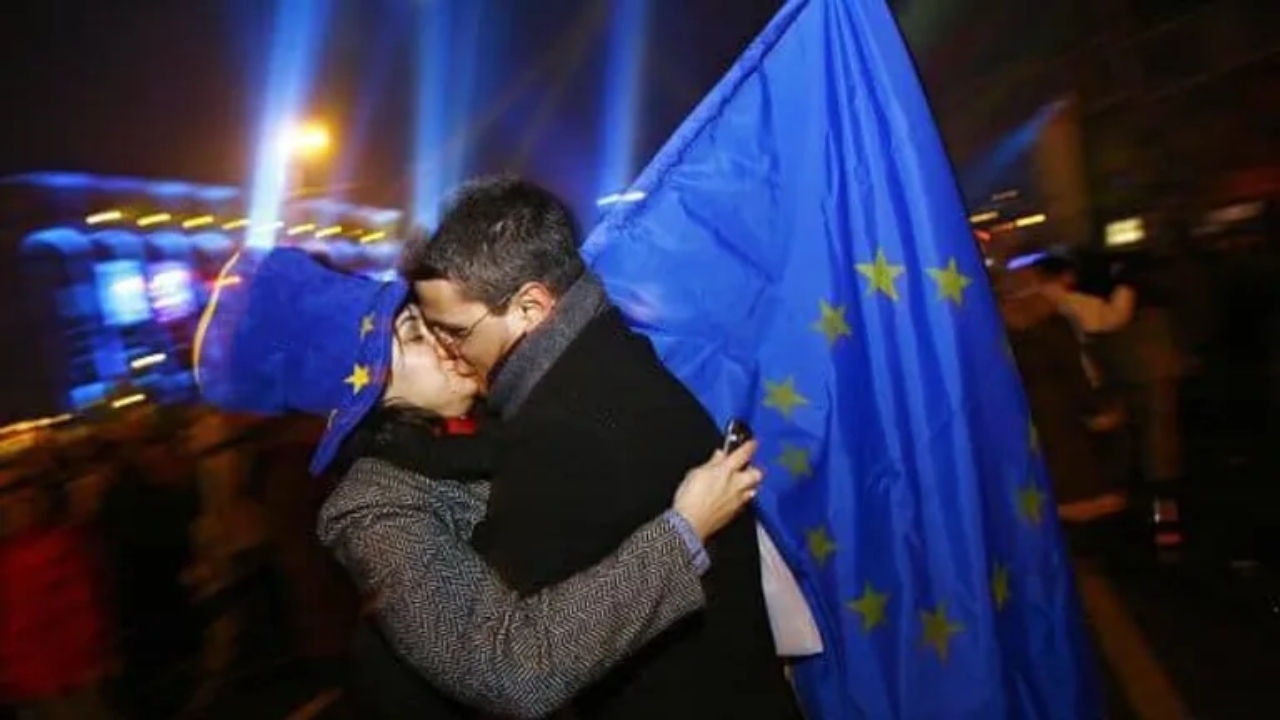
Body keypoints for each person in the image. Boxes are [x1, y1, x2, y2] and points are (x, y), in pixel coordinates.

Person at [194, 248, 765, 719]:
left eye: (432, 323)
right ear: (367, 392)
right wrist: (683, 532)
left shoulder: (499, 424)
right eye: (415, 336)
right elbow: (510, 668)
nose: (445, 342)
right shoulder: (374, 510)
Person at [401, 176, 801, 719]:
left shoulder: (556, 428)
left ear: (531, 306)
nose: (447, 351)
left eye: (454, 331)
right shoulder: (608, 352)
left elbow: (521, 663)